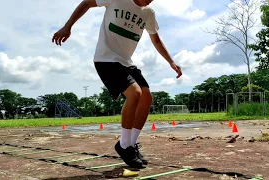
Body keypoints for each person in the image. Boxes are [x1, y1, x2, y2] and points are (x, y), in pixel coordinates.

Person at [52, 0, 182, 168]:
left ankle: (130, 145)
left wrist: (171, 62)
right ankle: (123, 145)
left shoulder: (148, 13)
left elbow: (156, 40)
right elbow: (86, 3)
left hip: (126, 63)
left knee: (147, 97)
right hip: (105, 59)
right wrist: (67, 26)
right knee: (135, 93)